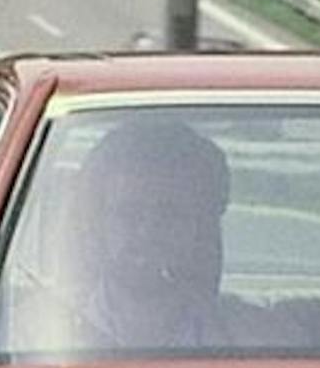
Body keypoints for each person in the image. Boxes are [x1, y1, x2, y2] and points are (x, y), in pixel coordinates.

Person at [49, 115, 243, 354]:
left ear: (201, 228)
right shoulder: (35, 337)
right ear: (97, 222)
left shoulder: (258, 346)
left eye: (169, 214)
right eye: (129, 212)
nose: (147, 231)